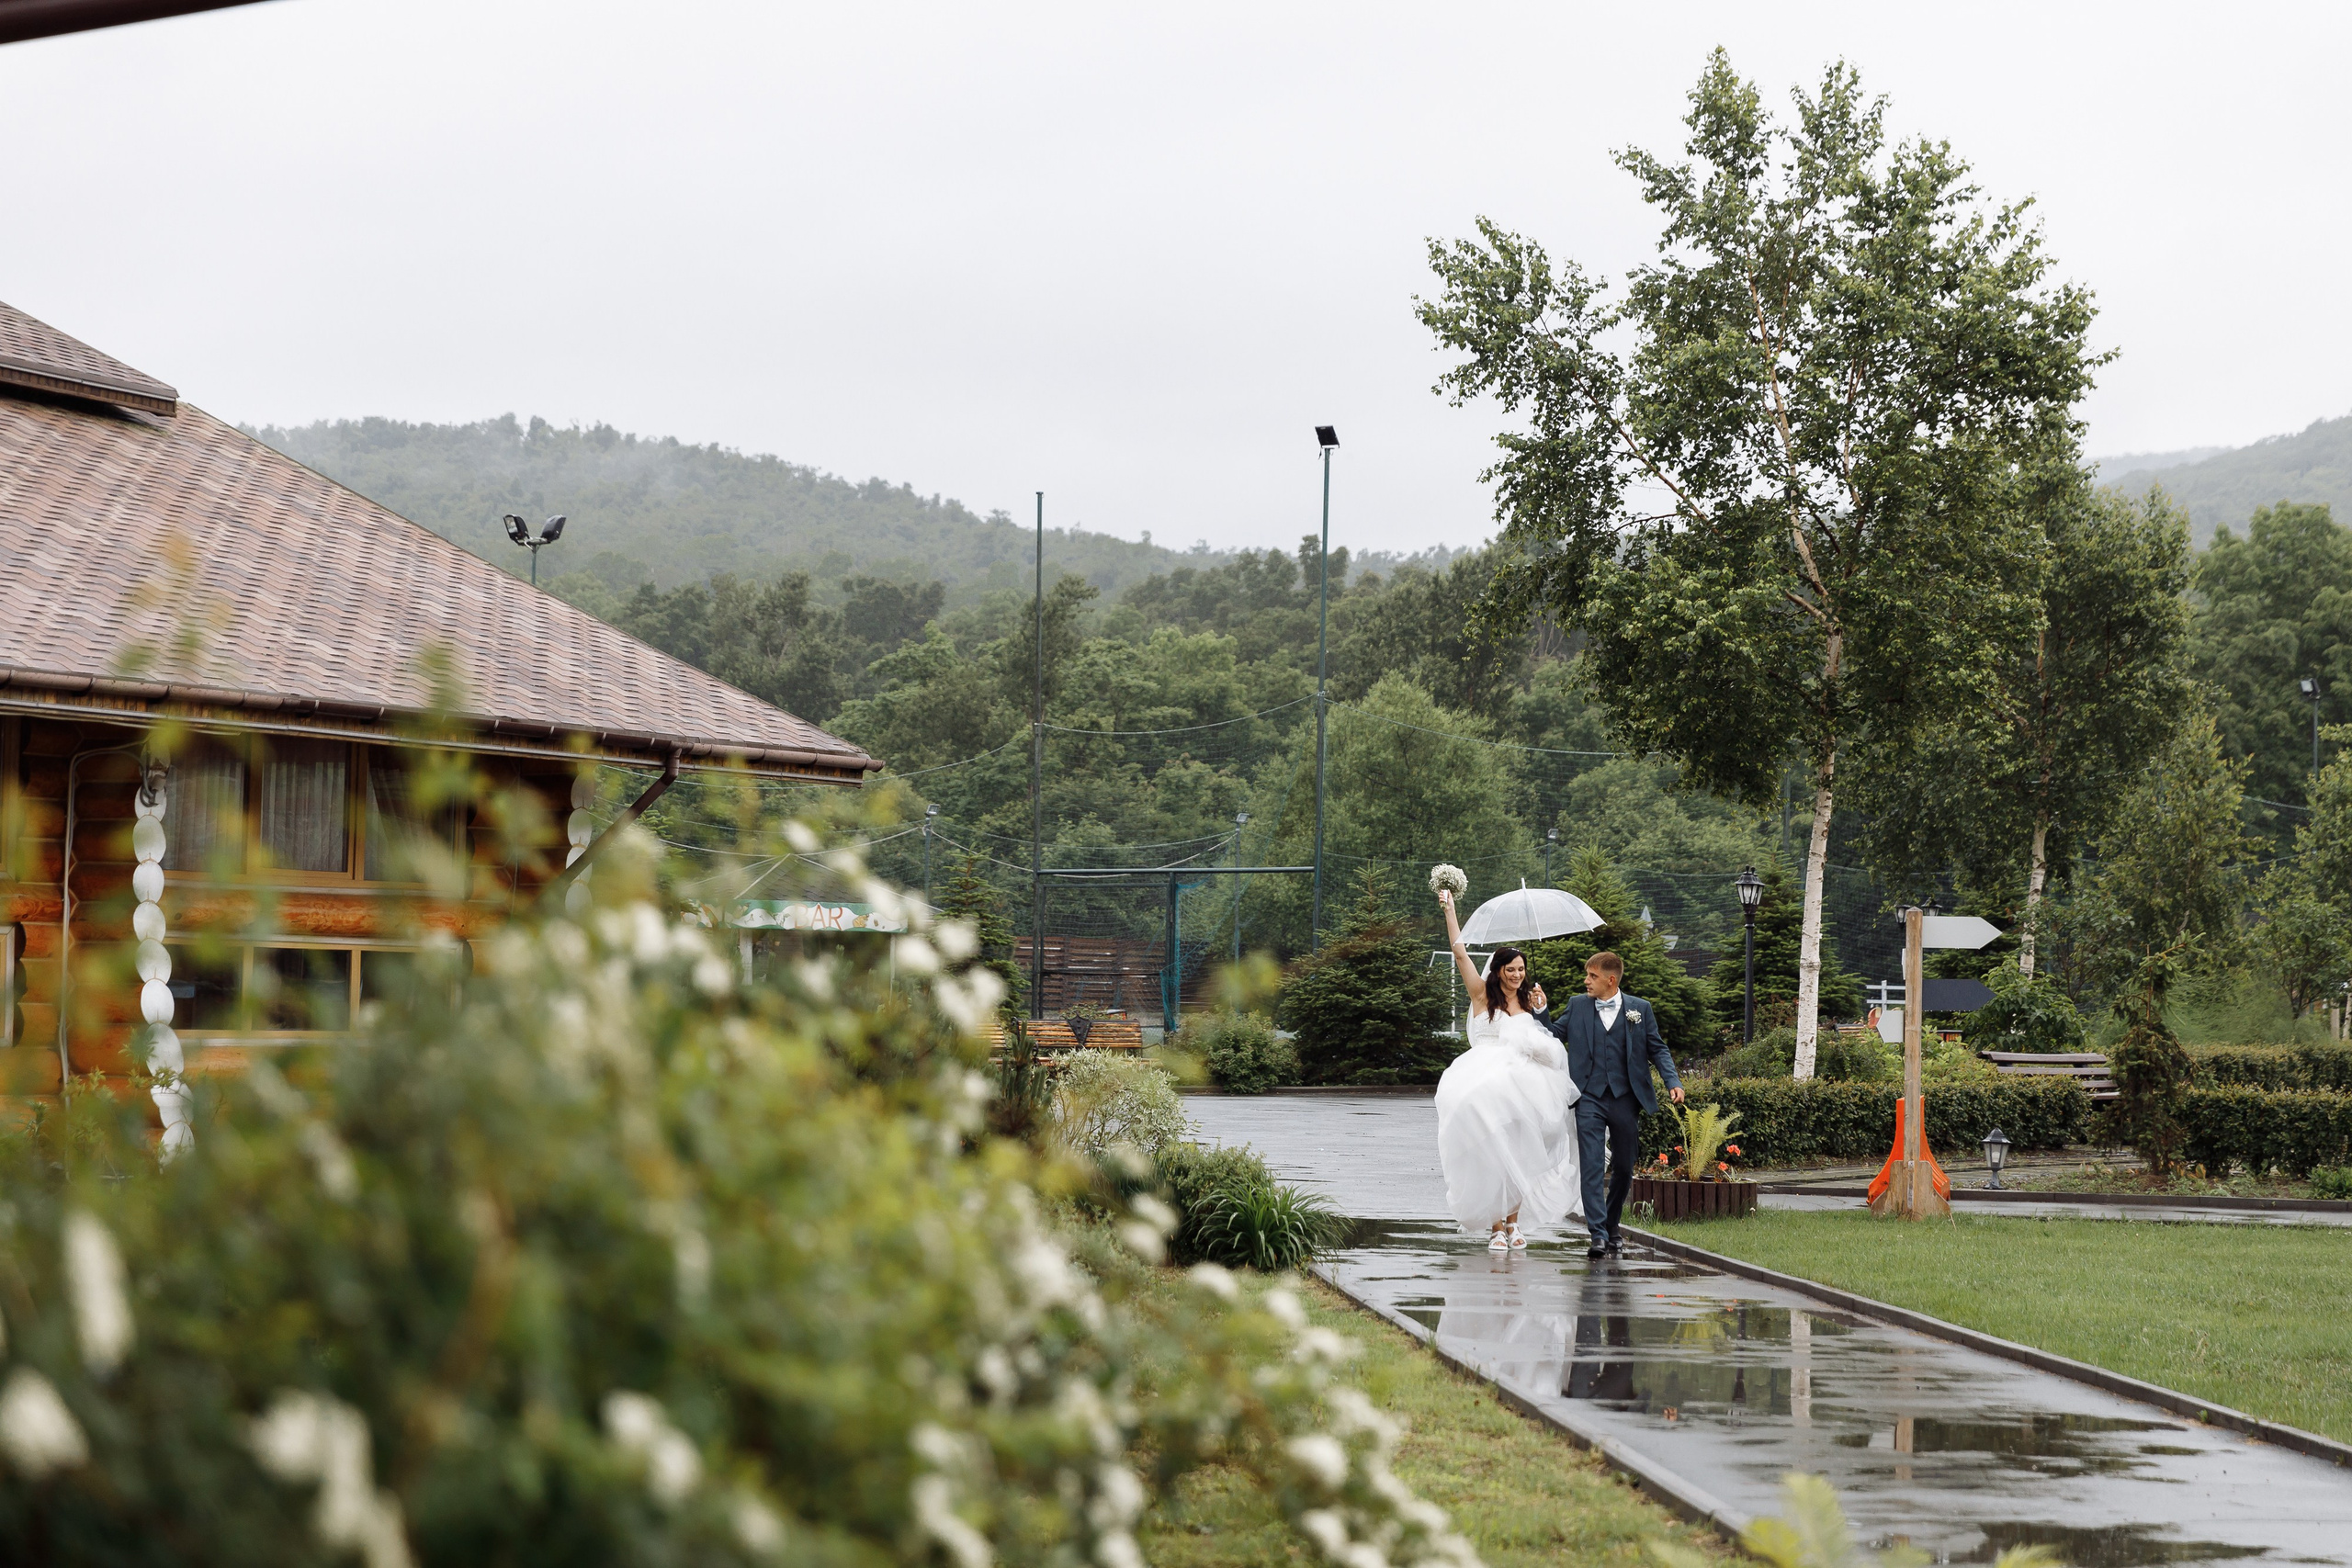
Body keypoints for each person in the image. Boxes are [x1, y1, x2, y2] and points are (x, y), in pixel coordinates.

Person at [1432, 887, 1582, 1252]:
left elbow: (1542, 1040)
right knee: (1491, 1154)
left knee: (1518, 1153)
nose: (1517, 975)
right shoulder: (1481, 995)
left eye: (1521, 970)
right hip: (1484, 1082)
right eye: (1511, 970)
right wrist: (1450, 911)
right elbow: (1459, 951)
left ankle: (1514, 1224)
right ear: (1498, 971)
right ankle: (1496, 1226)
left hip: (1523, 1088)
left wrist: (1542, 1009)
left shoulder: (1529, 1000)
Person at [1542, 950, 1681, 1259]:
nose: (1586, 981)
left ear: (1611, 979)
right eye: (1587, 975)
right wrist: (1542, 1011)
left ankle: (1612, 1223)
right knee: (1591, 1165)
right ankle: (1599, 1235)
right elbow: (1553, 1034)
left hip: (1625, 1098)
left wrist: (1673, 1081)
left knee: (1623, 1167)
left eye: (1592, 976)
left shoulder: (1639, 1009)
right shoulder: (1578, 1005)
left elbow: (1657, 1048)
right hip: (1588, 1096)